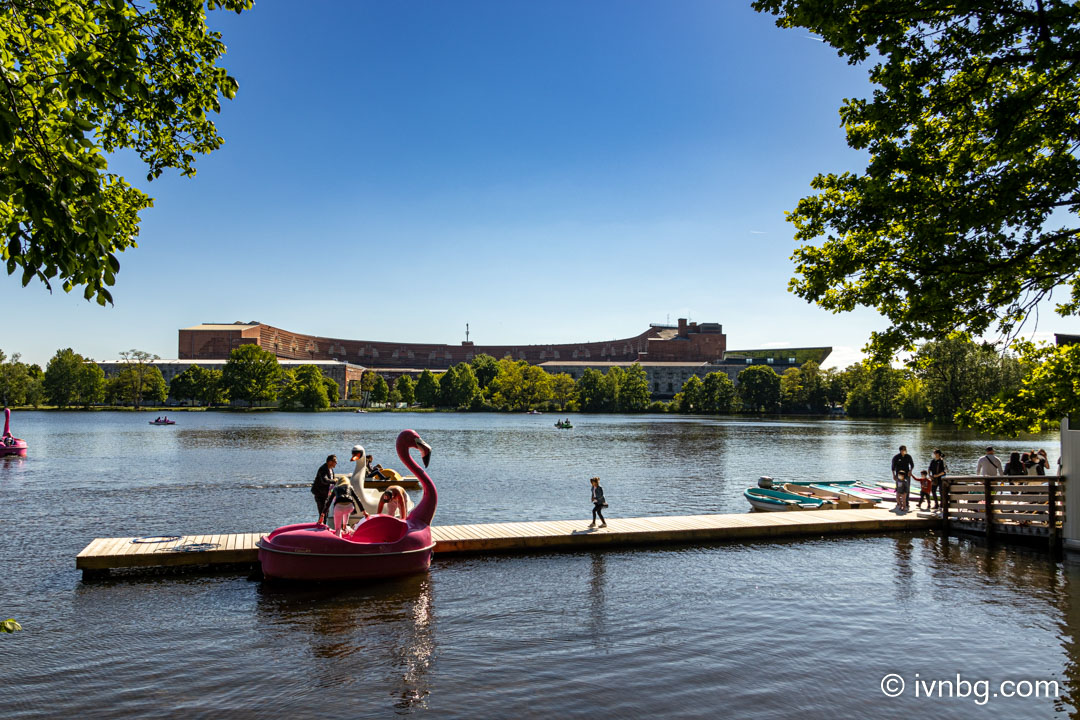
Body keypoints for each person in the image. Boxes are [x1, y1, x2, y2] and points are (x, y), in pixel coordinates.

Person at [312, 454, 337, 523]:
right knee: (323, 513)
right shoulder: (323, 469)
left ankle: (323, 526)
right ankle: (321, 528)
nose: (336, 463)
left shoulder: (331, 469)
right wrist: (334, 480)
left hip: (327, 494)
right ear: (329, 462)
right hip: (320, 494)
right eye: (335, 461)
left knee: (326, 512)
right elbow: (324, 480)